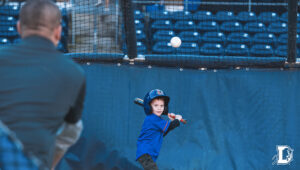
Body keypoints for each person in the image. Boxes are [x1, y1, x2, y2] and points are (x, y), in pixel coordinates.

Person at [0, 0, 86, 169]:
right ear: (58, 32)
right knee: (75, 127)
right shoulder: (75, 73)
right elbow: (70, 132)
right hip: (33, 164)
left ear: (18, 27)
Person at [136, 89, 182, 170]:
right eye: (156, 105)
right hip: (146, 153)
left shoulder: (157, 120)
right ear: (149, 106)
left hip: (148, 154)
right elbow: (171, 126)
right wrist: (177, 119)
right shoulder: (153, 119)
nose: (159, 108)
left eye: (161, 106)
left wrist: (171, 121)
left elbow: (162, 133)